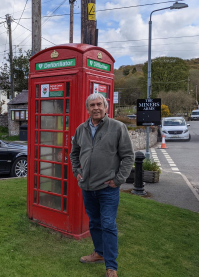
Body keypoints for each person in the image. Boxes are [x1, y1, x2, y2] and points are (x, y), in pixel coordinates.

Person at [70, 93, 134, 277]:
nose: (96, 107)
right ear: (87, 109)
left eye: (99, 104)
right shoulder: (81, 129)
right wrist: (77, 171)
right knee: (95, 223)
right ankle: (99, 253)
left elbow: (128, 156)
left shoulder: (117, 127)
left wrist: (119, 179)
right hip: (88, 187)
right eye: (92, 105)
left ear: (106, 107)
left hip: (108, 187)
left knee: (108, 224)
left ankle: (111, 266)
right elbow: (74, 153)